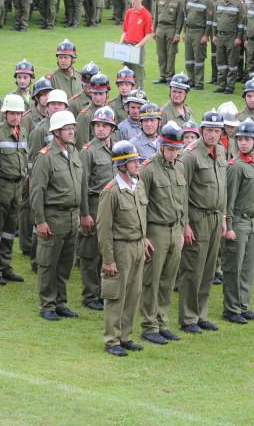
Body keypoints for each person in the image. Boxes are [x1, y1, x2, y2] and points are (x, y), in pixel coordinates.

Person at [30, 111, 83, 321]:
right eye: (67, 128)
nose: (71, 131)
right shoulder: (45, 157)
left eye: (73, 127)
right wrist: (40, 221)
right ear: (56, 132)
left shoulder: (74, 152)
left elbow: (81, 184)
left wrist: (83, 214)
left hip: (72, 217)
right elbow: (37, 192)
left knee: (65, 263)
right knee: (48, 263)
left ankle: (61, 302)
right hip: (53, 217)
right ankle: (47, 304)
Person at [97, 140, 148, 357]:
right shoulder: (111, 192)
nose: (137, 164)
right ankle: (112, 340)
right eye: (132, 161)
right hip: (120, 248)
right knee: (116, 294)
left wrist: (144, 240)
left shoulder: (139, 185)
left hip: (137, 246)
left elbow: (141, 217)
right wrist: (108, 260)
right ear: (121, 165)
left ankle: (125, 336)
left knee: (134, 293)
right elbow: (104, 229)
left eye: (137, 160)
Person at [178, 110, 227, 334]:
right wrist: (185, 224)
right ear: (201, 131)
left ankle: (201, 314)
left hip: (216, 216)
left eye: (217, 131)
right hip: (197, 217)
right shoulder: (190, 155)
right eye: (209, 130)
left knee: (208, 268)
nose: (213, 135)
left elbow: (222, 187)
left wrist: (224, 217)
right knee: (193, 269)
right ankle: (188, 317)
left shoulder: (221, 151)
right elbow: (182, 191)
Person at [139, 122, 187, 345]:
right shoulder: (147, 169)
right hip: (156, 230)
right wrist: (143, 235)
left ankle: (162, 322)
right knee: (152, 279)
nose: (174, 153)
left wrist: (183, 227)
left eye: (177, 149)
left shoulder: (179, 167)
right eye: (170, 148)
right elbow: (140, 205)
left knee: (168, 279)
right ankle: (149, 325)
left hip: (175, 230)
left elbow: (182, 200)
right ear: (161, 146)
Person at [221, 119, 254, 324]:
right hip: (238, 222)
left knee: (248, 267)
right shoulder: (235, 166)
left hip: (252, 221)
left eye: (247, 139)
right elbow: (228, 200)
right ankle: (231, 308)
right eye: (240, 139)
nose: (243, 143)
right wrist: (228, 226)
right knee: (234, 267)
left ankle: (243, 305)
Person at [78, 107, 118, 310]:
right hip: (94, 204)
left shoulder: (117, 149)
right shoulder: (88, 151)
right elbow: (82, 186)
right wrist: (84, 214)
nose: (100, 129)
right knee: (90, 252)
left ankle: (104, 292)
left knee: (107, 250)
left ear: (112, 128)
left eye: (105, 126)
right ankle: (90, 295)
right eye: (98, 125)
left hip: (112, 207)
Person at [0, 94, 28, 286]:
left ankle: (6, 265)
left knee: (10, 230)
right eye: (12, 113)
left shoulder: (24, 132)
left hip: (17, 188)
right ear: (5, 114)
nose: (16, 117)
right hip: (0, 188)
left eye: (19, 114)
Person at [213, 0, 245, 95]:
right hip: (220, 35)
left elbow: (241, 23)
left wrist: (239, 37)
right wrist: (214, 35)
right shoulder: (219, 3)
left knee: (232, 63)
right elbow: (215, 21)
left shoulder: (238, 4)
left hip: (232, 36)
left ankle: (230, 86)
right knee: (220, 62)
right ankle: (221, 84)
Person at [153, 0, 186, 84]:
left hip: (171, 29)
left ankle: (169, 76)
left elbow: (180, 19)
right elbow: (156, 16)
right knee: (160, 54)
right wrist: (154, 30)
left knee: (170, 54)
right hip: (160, 28)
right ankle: (162, 75)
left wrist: (177, 33)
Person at [184, 0, 214, 89]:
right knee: (189, 58)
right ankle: (191, 80)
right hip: (190, 31)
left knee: (199, 59)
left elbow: (209, 21)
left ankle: (199, 82)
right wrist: (185, 32)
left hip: (199, 32)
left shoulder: (207, 1)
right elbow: (186, 17)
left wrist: (206, 35)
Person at [120, 0, 153, 88]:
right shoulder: (129, 12)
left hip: (137, 46)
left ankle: (139, 95)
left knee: (137, 74)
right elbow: (125, 31)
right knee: (125, 73)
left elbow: (148, 35)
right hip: (126, 45)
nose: (133, 0)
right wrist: (120, 43)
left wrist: (137, 46)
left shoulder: (146, 14)